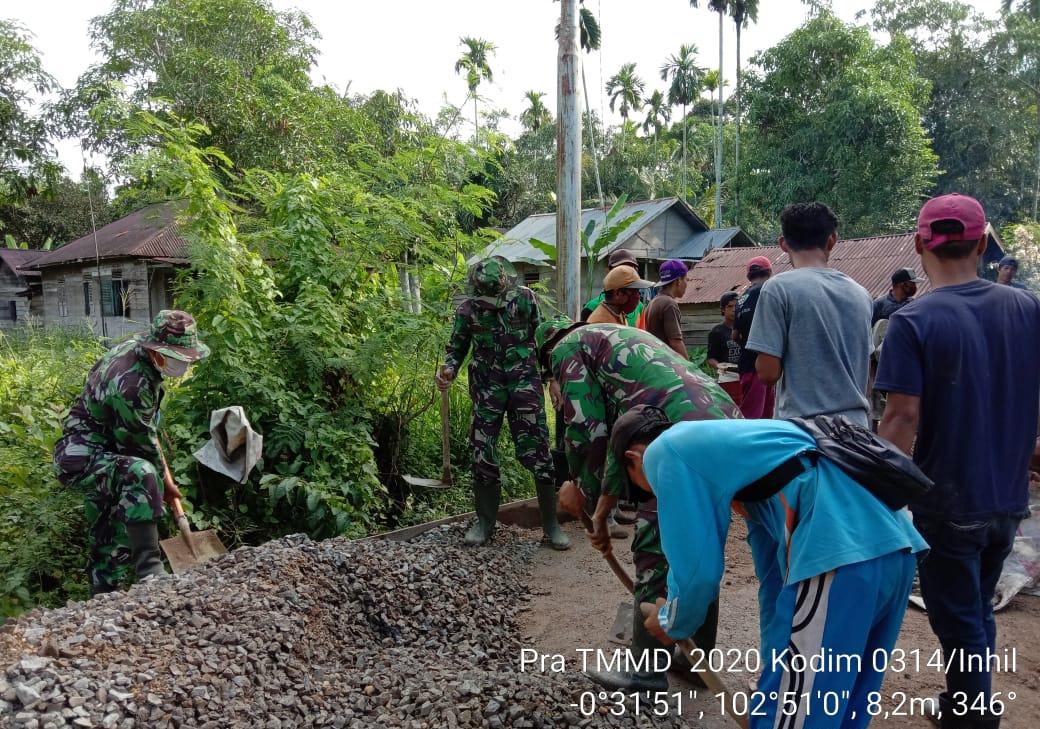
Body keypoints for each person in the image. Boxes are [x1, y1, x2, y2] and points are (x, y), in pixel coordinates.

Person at [616, 406, 926, 728]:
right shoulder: (757, 454)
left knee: (804, 715)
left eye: (643, 489)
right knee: (842, 707)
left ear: (633, 458)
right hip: (898, 548)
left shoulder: (664, 451)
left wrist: (672, 620)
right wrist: (774, 675)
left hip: (836, 552)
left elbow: (698, 575)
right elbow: (775, 583)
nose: (654, 494)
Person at [877, 193, 1040, 729]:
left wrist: (876, 491)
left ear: (921, 243)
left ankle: (973, 719)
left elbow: (901, 418)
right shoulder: (1027, 308)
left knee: (959, 618)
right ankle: (967, 703)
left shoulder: (912, 320)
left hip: (948, 501)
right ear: (983, 240)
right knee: (973, 608)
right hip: (1008, 499)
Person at [535, 317, 740, 692]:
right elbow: (621, 437)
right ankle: (696, 658)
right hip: (723, 424)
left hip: (681, 435)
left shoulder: (567, 350)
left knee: (655, 544)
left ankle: (645, 672)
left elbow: (586, 430)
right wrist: (600, 513)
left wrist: (579, 487)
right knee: (700, 546)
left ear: (546, 355)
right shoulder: (613, 341)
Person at [54, 310, 210, 596]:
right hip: (83, 456)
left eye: (186, 358)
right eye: (177, 357)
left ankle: (103, 596)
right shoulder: (132, 384)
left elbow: (144, 431)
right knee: (141, 475)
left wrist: (168, 481)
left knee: (107, 524)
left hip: (106, 450)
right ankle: (150, 571)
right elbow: (140, 446)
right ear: (157, 351)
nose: (182, 365)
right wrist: (162, 481)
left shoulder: (137, 355)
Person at [436, 257, 569, 550]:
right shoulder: (468, 310)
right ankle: (485, 522)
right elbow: (457, 348)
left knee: (539, 449)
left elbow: (544, 341)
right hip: (487, 388)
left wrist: (553, 379)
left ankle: (551, 525)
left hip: (524, 384)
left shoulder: (525, 299)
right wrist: (448, 370)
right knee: (482, 450)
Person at [747, 202, 873, 428]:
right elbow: (867, 373)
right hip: (857, 431)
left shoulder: (778, 288)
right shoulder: (861, 293)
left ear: (783, 244)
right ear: (832, 240)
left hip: (804, 432)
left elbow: (767, 374)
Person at [732, 256, 775, 418]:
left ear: (749, 276)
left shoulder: (741, 298)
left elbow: (734, 335)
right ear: (769, 272)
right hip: (766, 364)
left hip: (746, 364)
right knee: (758, 418)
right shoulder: (769, 290)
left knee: (754, 414)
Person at [580, 248, 645, 326]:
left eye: (632, 269)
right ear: (609, 272)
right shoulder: (592, 308)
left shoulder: (639, 307)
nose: (627, 273)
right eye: (620, 269)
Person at [643, 259, 690, 358]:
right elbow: (675, 343)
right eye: (686, 279)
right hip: (666, 364)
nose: (687, 284)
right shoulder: (669, 304)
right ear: (678, 281)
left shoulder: (653, 302)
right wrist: (690, 369)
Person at [586, 266, 654, 325]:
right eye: (635, 292)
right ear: (618, 293)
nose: (638, 296)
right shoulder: (602, 324)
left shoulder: (618, 313)